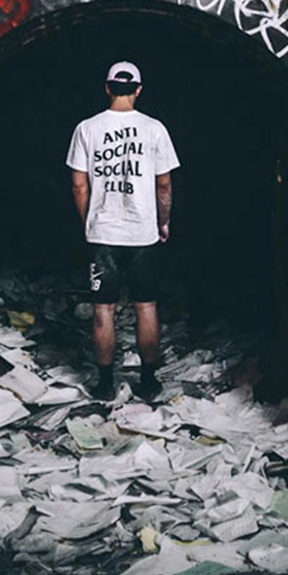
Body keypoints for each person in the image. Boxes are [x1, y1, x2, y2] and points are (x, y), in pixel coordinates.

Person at [66, 61, 180, 401]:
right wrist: (163, 221)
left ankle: (104, 384)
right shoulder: (154, 129)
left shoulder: (86, 128)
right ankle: (148, 382)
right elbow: (164, 184)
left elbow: (79, 184)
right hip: (143, 234)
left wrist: (89, 222)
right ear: (138, 90)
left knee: (104, 310)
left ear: (107, 88)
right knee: (146, 306)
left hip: (102, 235)